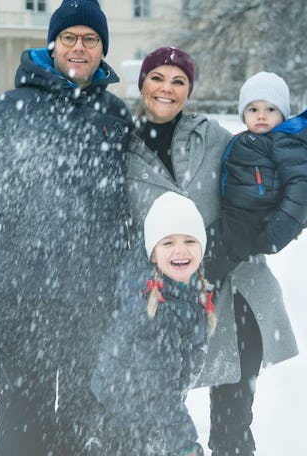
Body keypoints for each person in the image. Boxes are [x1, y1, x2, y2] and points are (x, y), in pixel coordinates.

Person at [0, 0, 133, 456]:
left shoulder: (115, 116)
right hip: (25, 304)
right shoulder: (10, 111)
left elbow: (128, 212)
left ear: (102, 50)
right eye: (70, 37)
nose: (79, 47)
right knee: (23, 430)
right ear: (53, 43)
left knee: (84, 431)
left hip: (94, 307)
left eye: (90, 40)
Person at [124, 47, 298, 456]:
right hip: (165, 303)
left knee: (232, 426)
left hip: (236, 293)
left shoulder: (216, 138)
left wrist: (290, 213)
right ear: (142, 84)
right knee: (163, 426)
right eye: (157, 78)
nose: (167, 89)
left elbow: (267, 192)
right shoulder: (122, 152)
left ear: (189, 90)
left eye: (178, 81)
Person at [90, 191, 216, 456]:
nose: (180, 249)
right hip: (129, 428)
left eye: (189, 240)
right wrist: (183, 442)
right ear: (152, 253)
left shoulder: (184, 290)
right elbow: (158, 388)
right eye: (168, 242)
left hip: (144, 421)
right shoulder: (155, 308)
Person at [221, 71, 307, 261]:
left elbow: (300, 189)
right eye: (253, 109)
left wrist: (277, 232)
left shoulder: (284, 143)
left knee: (216, 261)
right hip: (234, 218)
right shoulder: (249, 139)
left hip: (253, 224)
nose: (261, 115)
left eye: (270, 109)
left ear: (283, 114)